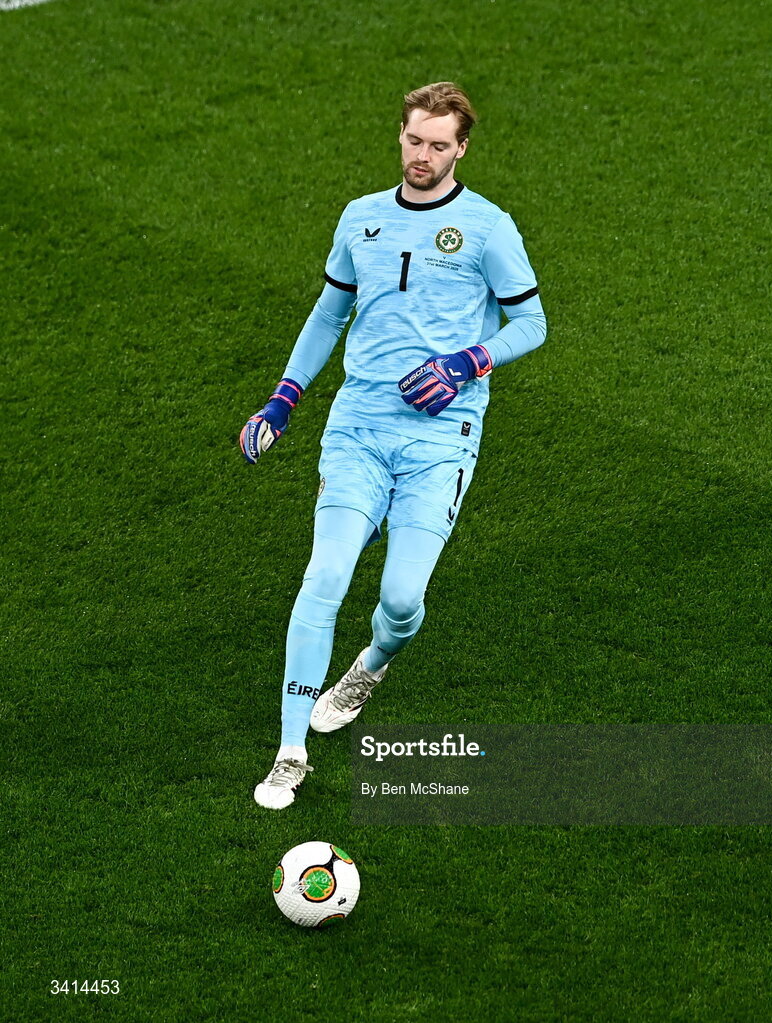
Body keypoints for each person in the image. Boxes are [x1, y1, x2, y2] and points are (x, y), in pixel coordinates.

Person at [240, 82, 547, 809]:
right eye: (414, 140)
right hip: (359, 425)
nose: (423, 155)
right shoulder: (361, 217)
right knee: (324, 574)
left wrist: (467, 362)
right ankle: (289, 751)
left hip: (442, 437)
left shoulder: (488, 228)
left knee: (402, 598)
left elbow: (532, 324)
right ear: (401, 136)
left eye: (439, 145)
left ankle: (371, 665)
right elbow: (329, 315)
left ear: (461, 149)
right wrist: (285, 396)